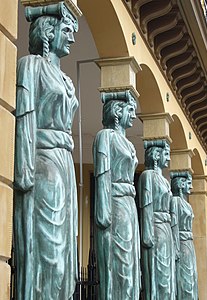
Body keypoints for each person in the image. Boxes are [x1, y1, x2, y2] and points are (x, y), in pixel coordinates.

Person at [14, 3, 79, 299]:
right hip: (44, 162)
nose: (72, 38)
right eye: (66, 30)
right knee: (48, 249)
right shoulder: (31, 65)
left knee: (65, 253)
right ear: (48, 32)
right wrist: (24, 173)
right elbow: (25, 117)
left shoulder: (67, 80)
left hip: (65, 163)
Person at [93, 91, 141, 300]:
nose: (133, 115)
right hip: (116, 204)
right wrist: (103, 213)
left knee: (131, 264)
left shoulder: (129, 144)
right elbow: (102, 176)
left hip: (129, 205)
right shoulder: (105, 136)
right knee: (119, 263)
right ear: (117, 111)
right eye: (130, 110)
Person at [138, 140, 175, 300]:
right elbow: (146, 206)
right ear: (156, 155)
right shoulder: (148, 176)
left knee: (167, 277)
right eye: (166, 154)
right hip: (155, 229)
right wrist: (147, 235)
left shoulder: (165, 181)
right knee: (158, 273)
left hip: (166, 231)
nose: (169, 159)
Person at [170, 172, 198, 299]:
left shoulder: (189, 205)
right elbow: (174, 225)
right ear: (180, 184)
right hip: (181, 243)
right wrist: (176, 249)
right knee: (185, 278)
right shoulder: (175, 201)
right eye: (188, 183)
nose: (190, 187)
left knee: (192, 277)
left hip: (189, 243)